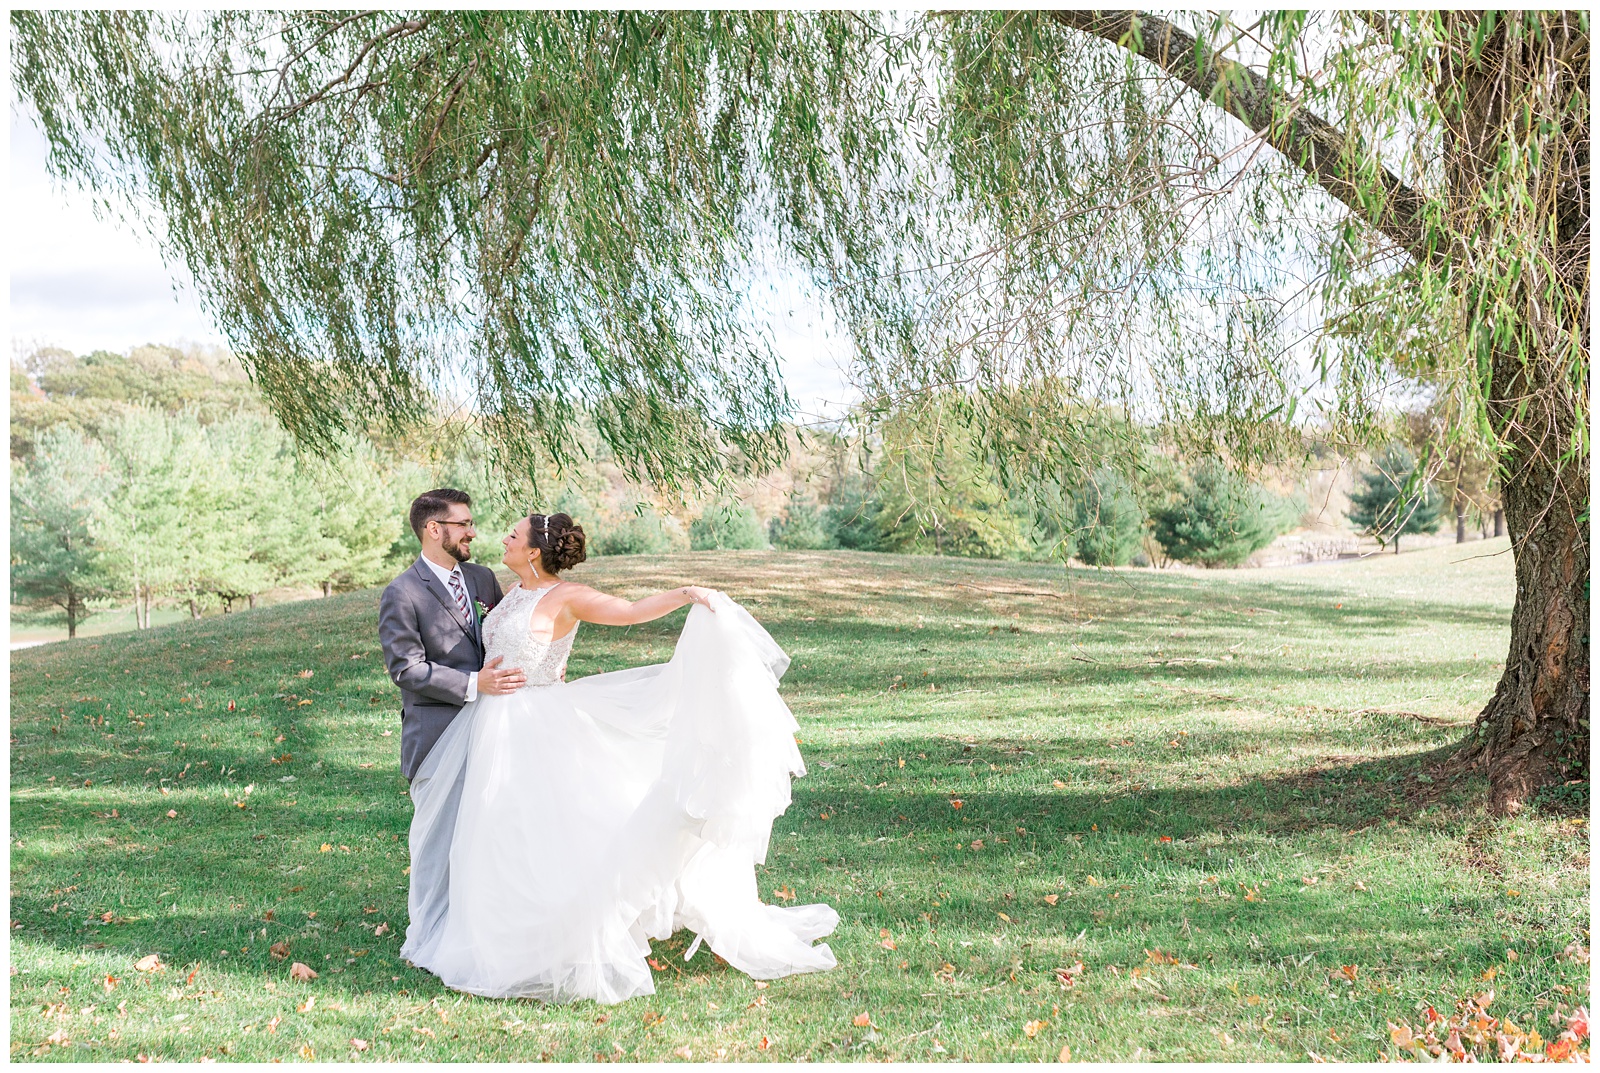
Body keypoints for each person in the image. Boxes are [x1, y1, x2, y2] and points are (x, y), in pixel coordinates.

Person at [399, 511, 838, 1004]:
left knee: (547, 831)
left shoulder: (566, 596)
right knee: (496, 832)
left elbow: (628, 611)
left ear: (535, 550)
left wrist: (686, 594)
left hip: (537, 724)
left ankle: (565, 935)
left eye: (513, 535)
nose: (503, 538)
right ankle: (496, 930)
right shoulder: (508, 591)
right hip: (492, 726)